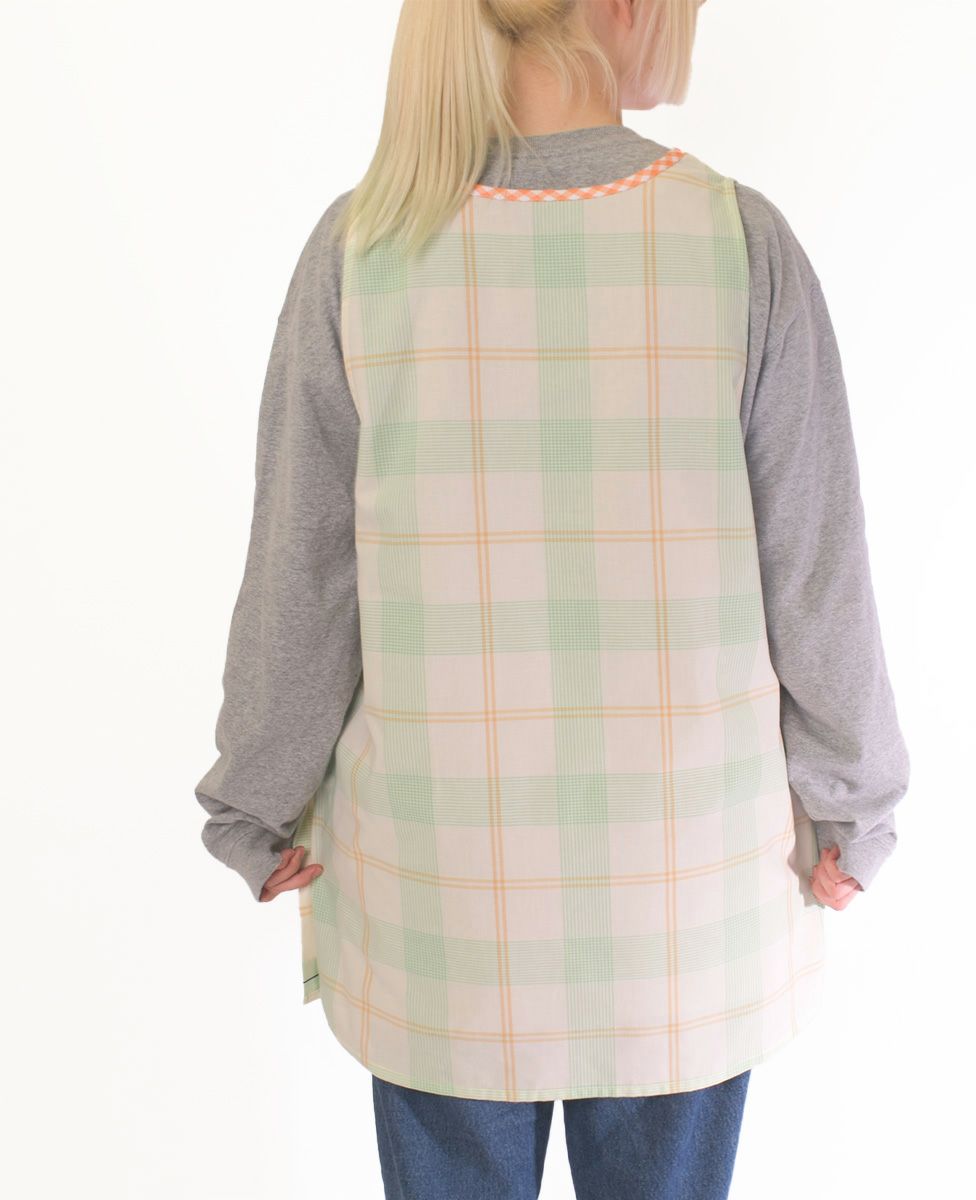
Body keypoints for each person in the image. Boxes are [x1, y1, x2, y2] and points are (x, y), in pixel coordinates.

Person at [193, 1, 910, 1196]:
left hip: (443, 911)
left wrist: (254, 804)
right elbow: (817, 571)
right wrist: (857, 805)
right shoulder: (737, 242)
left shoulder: (362, 250)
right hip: (684, 913)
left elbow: (301, 578)